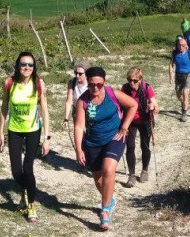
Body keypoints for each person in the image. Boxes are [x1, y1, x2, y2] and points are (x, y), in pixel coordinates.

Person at [74, 67, 137, 231]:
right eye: (92, 84)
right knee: (98, 180)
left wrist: (124, 127)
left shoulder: (112, 93)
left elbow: (133, 105)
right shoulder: (83, 101)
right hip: (92, 143)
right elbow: (79, 126)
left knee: (109, 170)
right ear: (87, 83)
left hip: (114, 138)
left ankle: (105, 211)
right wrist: (78, 150)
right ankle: (109, 200)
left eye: (99, 85)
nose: (96, 88)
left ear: (104, 83)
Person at [0, 52, 50, 223]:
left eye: (30, 65)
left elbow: (44, 110)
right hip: (14, 130)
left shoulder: (38, 83)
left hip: (33, 130)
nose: (27, 67)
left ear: (34, 67)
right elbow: (4, 107)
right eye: (23, 64)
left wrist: (46, 137)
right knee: (16, 171)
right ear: (18, 66)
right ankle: (25, 191)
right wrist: (0, 131)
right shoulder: (9, 83)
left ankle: (31, 204)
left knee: (28, 169)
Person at [119, 67, 159, 188]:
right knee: (130, 146)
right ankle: (131, 175)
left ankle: (144, 170)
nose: (132, 83)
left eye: (135, 81)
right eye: (130, 80)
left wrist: (153, 106)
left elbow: (157, 107)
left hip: (145, 120)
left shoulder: (147, 88)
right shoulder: (125, 88)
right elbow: (120, 104)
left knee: (145, 146)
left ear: (141, 79)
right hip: (130, 120)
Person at [169, 37, 190, 122]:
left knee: (185, 93)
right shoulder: (174, 53)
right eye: (179, 45)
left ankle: (184, 114)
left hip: (188, 74)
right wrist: (171, 77)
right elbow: (171, 65)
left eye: (183, 45)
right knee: (179, 95)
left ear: (186, 46)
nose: (181, 47)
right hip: (178, 75)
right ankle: (183, 104)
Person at [63, 61, 91, 127]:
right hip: (77, 110)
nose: (77, 76)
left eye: (80, 74)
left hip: (89, 111)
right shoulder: (72, 82)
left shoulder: (91, 83)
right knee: (79, 132)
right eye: (76, 73)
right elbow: (69, 101)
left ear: (86, 74)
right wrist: (66, 118)